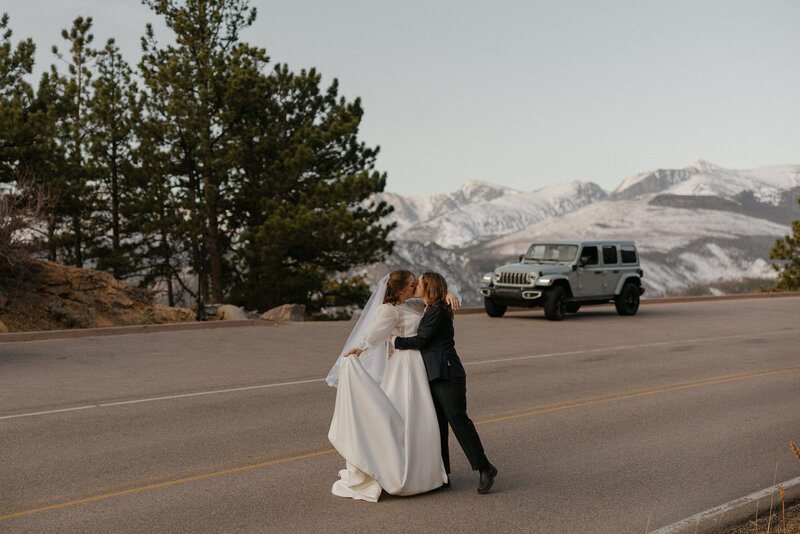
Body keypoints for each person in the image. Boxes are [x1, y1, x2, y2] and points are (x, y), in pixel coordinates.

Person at [326, 270, 459, 502]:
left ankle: (429, 472)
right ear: (398, 289)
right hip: (403, 368)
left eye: (415, 284)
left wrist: (448, 292)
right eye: (410, 285)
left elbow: (435, 299)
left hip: (418, 366)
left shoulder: (415, 306)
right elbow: (375, 333)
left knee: (422, 419)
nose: (414, 287)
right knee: (405, 416)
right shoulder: (389, 310)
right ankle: (403, 471)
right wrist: (360, 348)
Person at [391, 271, 498, 494]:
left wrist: (394, 341)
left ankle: (485, 467)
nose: (415, 286)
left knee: (459, 422)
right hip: (433, 374)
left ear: (428, 287)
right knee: (438, 426)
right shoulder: (427, 307)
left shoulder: (438, 311)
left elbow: (422, 340)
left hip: (448, 375)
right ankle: (443, 474)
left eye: (419, 283)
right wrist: (449, 291)